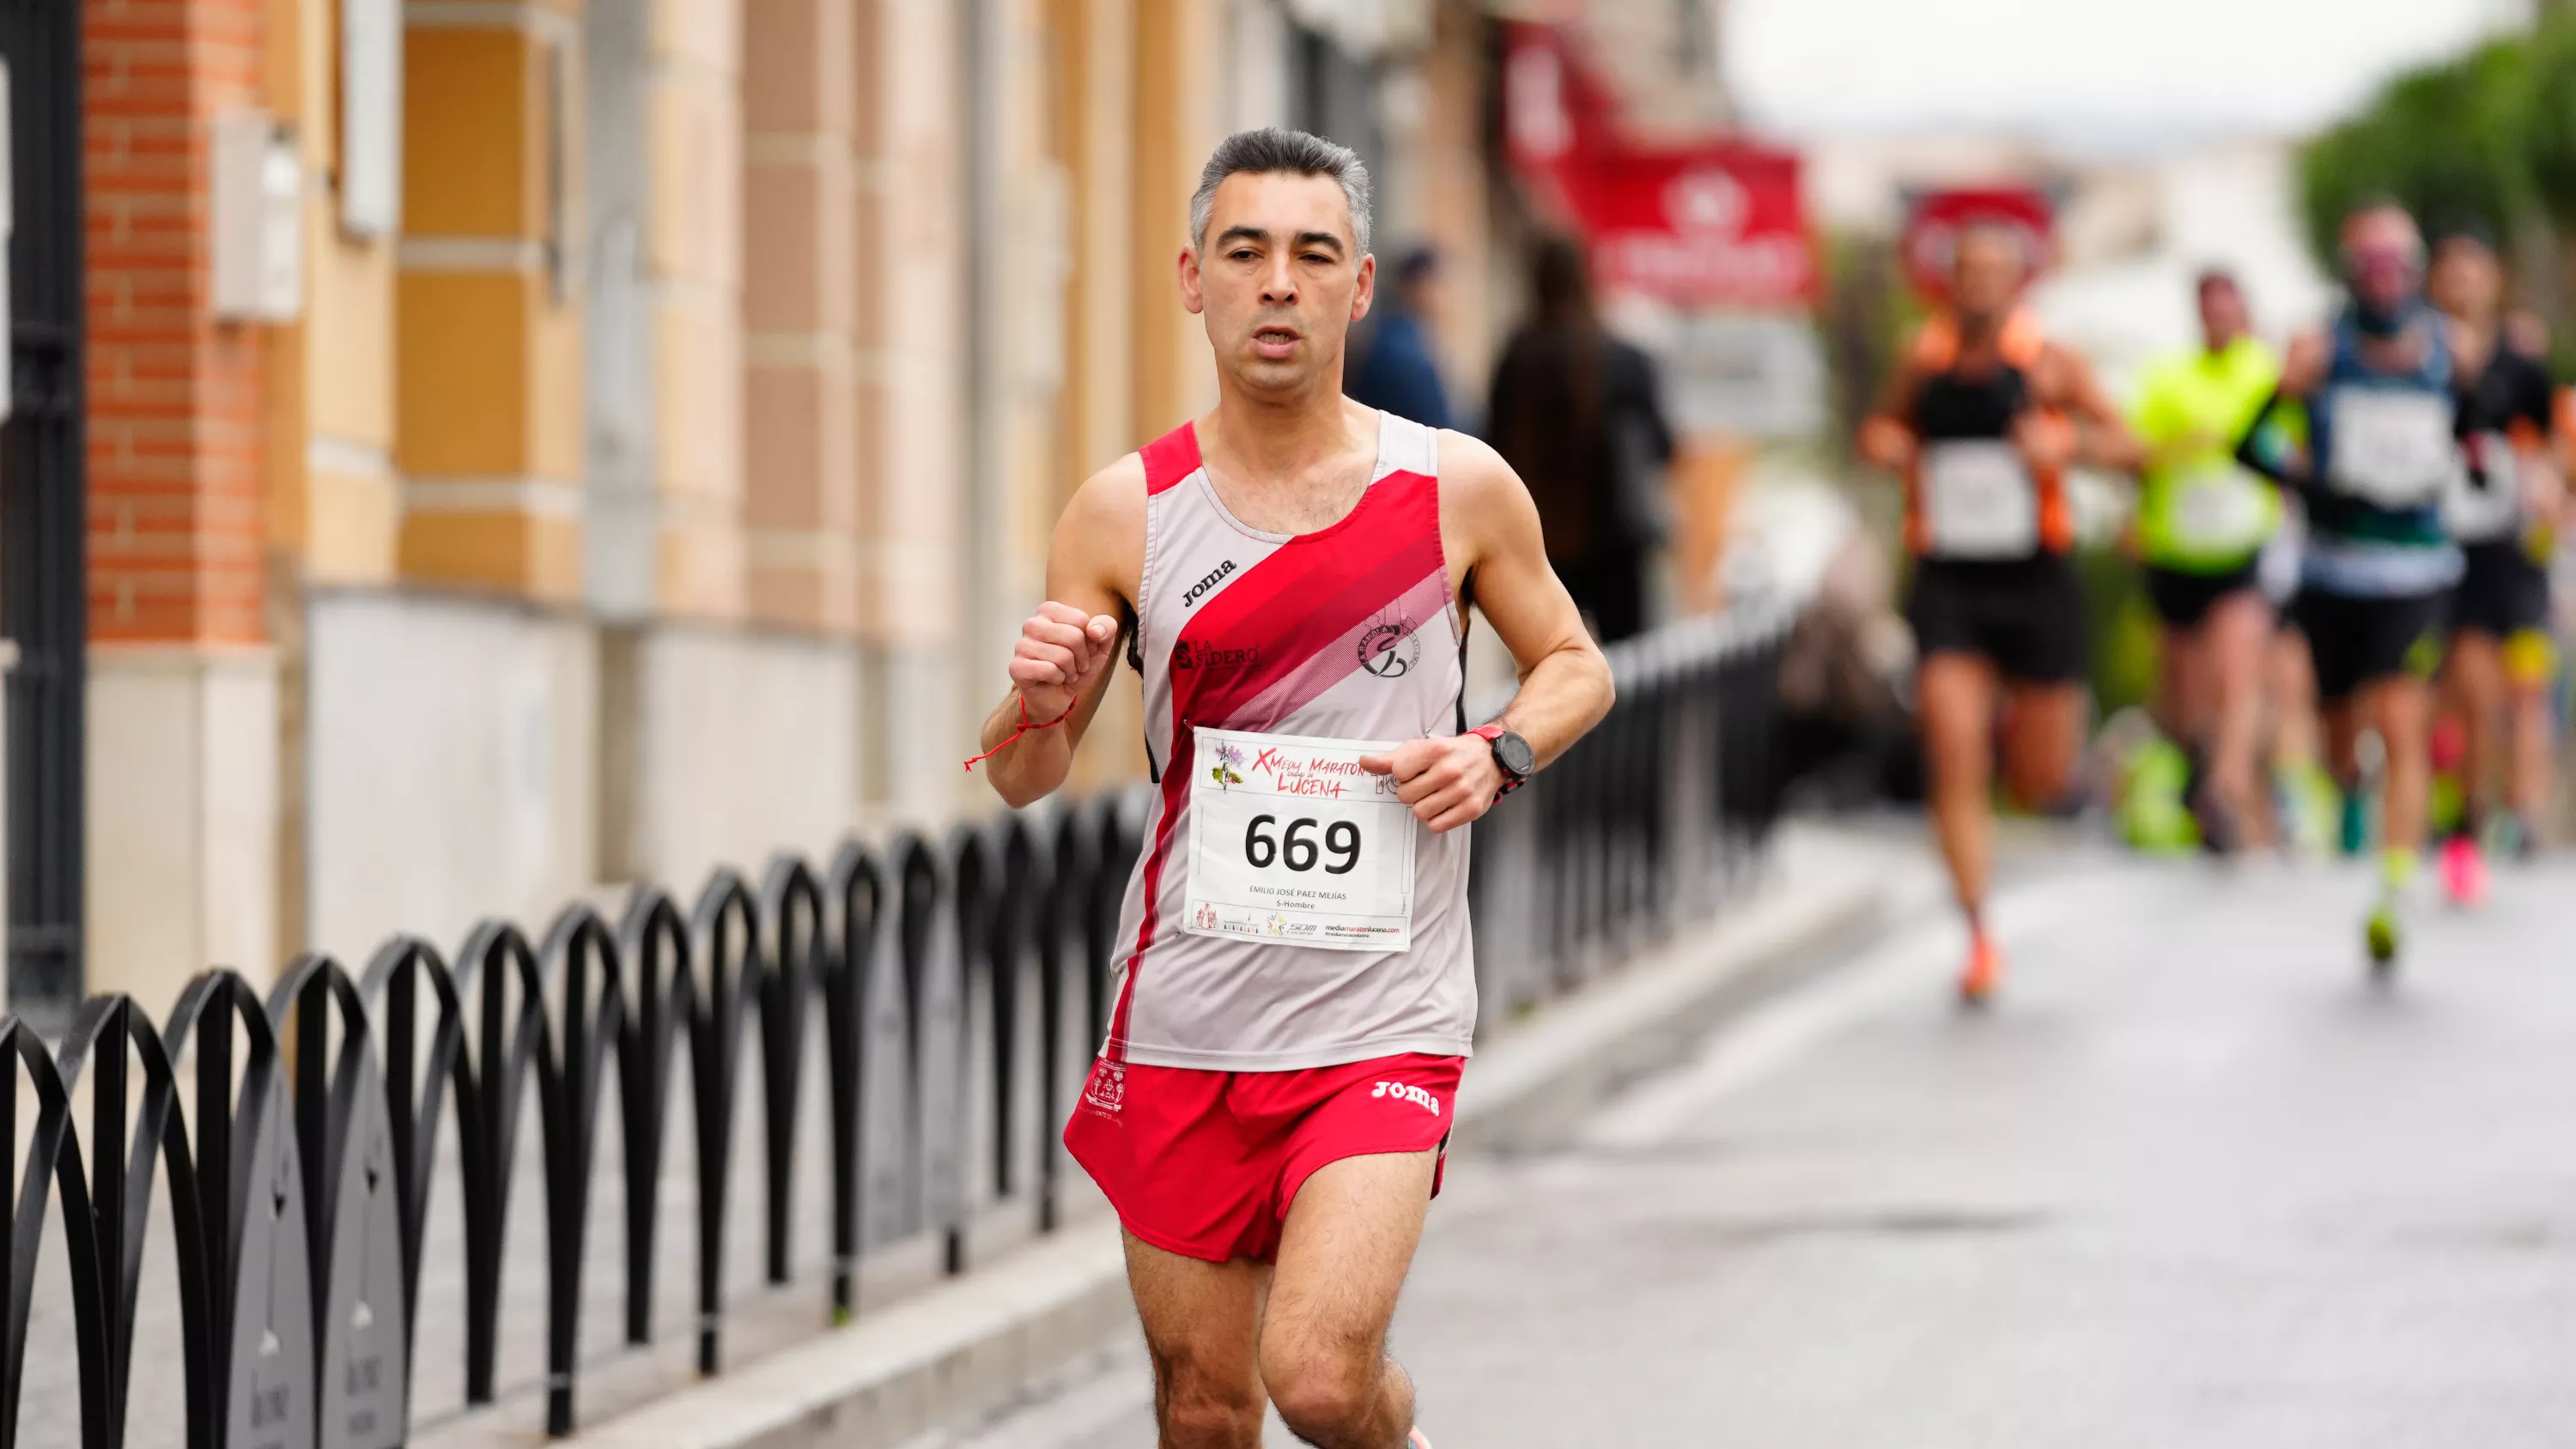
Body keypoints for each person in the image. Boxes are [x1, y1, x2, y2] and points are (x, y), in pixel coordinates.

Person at [972, 128, 1613, 1449]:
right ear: (1192, 279)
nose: (1278, 283)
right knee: (1204, 1408)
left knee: (1319, 1377)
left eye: (1313, 255)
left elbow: (1575, 666)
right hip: (1186, 1016)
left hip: (1383, 1010)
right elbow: (1026, 775)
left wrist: (1497, 751)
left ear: (1360, 286)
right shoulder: (1124, 513)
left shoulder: (1452, 487)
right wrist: (1035, 698)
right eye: (1245, 252)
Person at [1858, 221, 2141, 1005]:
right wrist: (1889, 447)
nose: (1979, 286)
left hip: (2035, 579)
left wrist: (2066, 448)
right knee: (1953, 750)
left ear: (2020, 282)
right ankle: (1979, 934)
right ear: (1948, 281)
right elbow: (1881, 428)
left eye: (1995, 273)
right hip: (1950, 580)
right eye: (1966, 272)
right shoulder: (1924, 357)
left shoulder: (2050, 362)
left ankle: (2028, 738)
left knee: (2044, 778)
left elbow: (2130, 446)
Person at [2239, 203, 2465, 976]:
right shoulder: (2319, 350)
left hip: (2419, 572)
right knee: (2343, 740)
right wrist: (2301, 466)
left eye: (2396, 263)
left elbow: (2487, 433)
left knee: (2403, 724)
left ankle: (2392, 890)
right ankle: (2350, 794)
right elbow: (2253, 444)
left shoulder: (2446, 351)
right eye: (2369, 264)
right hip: (2334, 572)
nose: (2384, 279)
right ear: (2349, 273)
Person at [2128, 269, 2285, 851]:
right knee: (2185, 690)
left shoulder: (2267, 373)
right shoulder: (2167, 378)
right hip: (2176, 548)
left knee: (2237, 672)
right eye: (2209, 308)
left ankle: (2227, 785)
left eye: (2229, 307)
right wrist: (2182, 449)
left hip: (2242, 546)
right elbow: (2135, 450)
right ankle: (2199, 764)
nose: (2219, 318)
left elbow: (2295, 444)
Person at [2429, 223, 2564, 894]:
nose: (2462, 283)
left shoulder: (2523, 363)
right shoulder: (2421, 359)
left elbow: (2546, 443)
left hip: (2520, 554)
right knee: (2474, 695)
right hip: (2458, 554)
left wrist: (2547, 483)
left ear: (2494, 279)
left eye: (2474, 270)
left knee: (2530, 689)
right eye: (2450, 271)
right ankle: (2472, 809)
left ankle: (2527, 812)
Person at [1487, 233, 1676, 644]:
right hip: (1616, 546)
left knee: (1546, 674)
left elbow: (1492, 448)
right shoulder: (1625, 359)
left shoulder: (1516, 357)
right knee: (1631, 676)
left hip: (1536, 544)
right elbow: (1664, 448)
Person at [1345, 245, 1455, 430]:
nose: (1446, 298)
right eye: (1438, 285)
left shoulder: (1397, 338)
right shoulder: (1403, 353)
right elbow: (1439, 428)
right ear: (1418, 287)